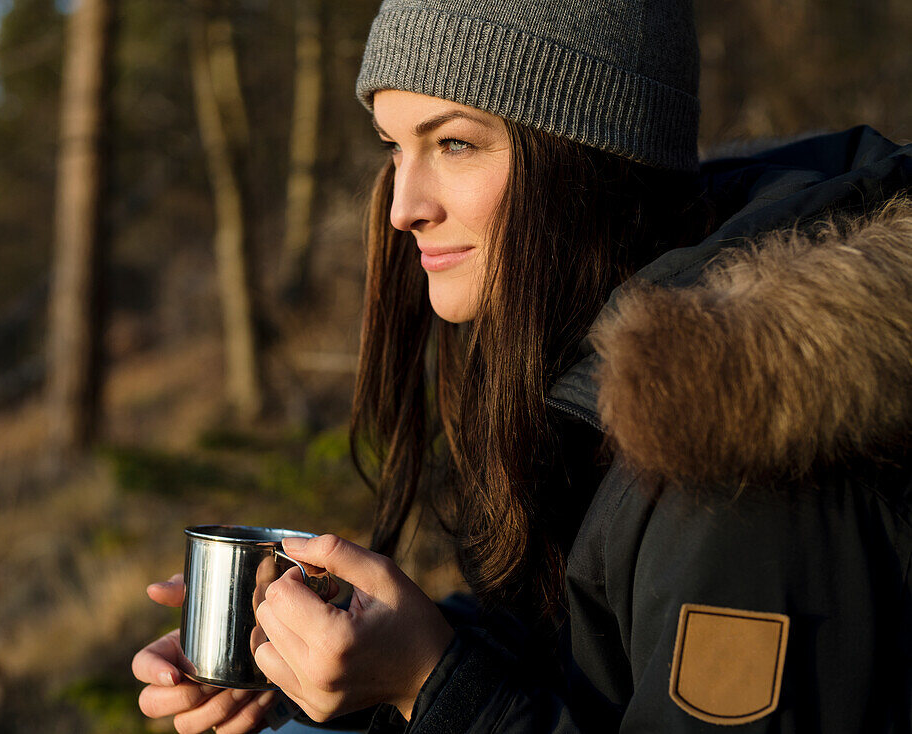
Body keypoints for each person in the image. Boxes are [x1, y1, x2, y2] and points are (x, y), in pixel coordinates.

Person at [132, 0, 912, 731]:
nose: (404, 205)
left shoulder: (751, 462)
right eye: (394, 148)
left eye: (455, 144)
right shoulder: (588, 367)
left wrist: (430, 685)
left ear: (588, 159)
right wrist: (331, 681)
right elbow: (579, 666)